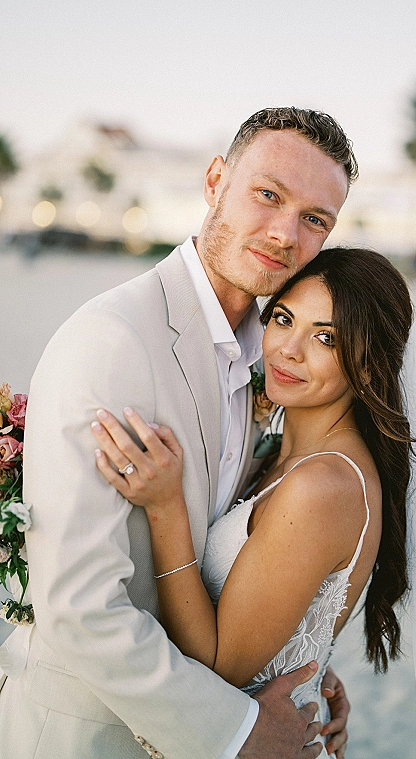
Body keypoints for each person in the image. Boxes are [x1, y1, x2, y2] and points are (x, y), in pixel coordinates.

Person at [0, 107, 358, 759]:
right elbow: (80, 607)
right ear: (216, 179)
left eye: (314, 219)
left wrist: (299, 664)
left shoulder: (269, 363)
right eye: (269, 194)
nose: (284, 233)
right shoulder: (115, 342)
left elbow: (220, 557)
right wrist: (236, 729)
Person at [91, 248, 414, 759]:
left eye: (326, 337)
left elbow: (220, 668)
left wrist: (165, 506)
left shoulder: (323, 487)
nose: (288, 349)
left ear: (370, 368)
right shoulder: (285, 453)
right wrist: (310, 666)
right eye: (284, 319)